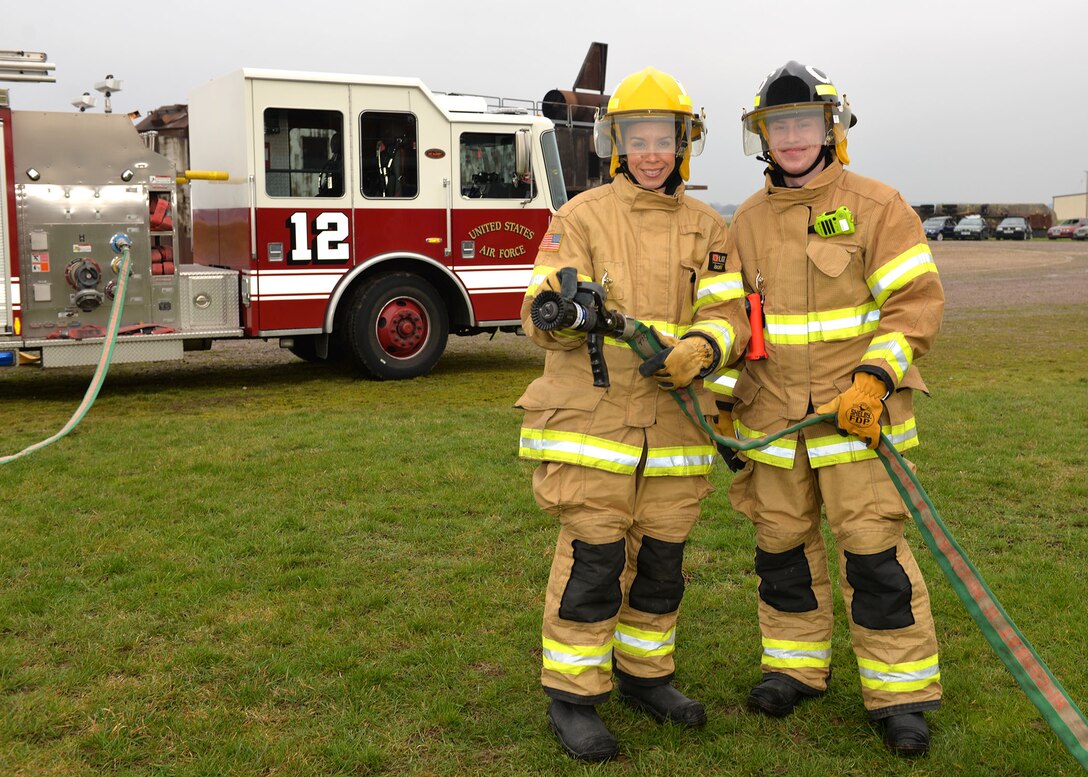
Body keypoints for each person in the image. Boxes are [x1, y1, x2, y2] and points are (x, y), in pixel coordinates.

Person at [515, 66, 749, 762]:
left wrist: (706, 346)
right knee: (594, 560)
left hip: (677, 429)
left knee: (662, 564)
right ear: (616, 142)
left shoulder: (711, 227)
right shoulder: (580, 217)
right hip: (596, 426)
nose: (652, 152)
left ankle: (647, 674)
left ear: (684, 144)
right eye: (638, 138)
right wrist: (566, 311)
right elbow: (539, 307)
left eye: (664, 139)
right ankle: (575, 694)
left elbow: (729, 312)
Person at [720, 61, 946, 756]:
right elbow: (731, 318)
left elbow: (913, 307)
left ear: (832, 127)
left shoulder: (879, 205)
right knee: (782, 556)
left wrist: (875, 380)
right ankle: (793, 668)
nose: (791, 137)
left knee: (875, 557)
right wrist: (725, 408)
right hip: (774, 425)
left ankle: (901, 694)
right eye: (777, 125)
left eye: (804, 123)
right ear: (763, 135)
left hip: (858, 422)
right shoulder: (746, 223)